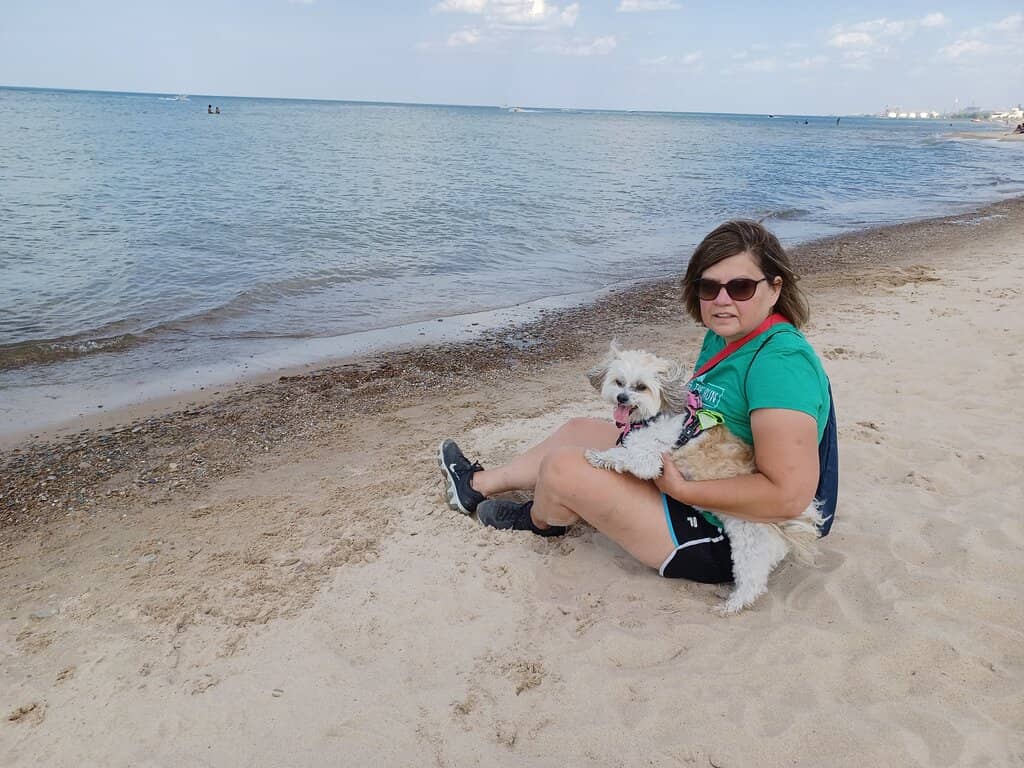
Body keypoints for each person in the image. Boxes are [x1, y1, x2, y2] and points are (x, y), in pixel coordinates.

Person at [439, 220, 834, 584]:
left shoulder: (781, 365)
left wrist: (684, 491)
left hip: (724, 534)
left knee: (563, 468)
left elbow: (788, 495)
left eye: (741, 287)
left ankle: (541, 520)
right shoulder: (727, 334)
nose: (722, 299)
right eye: (708, 287)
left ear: (776, 288)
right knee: (578, 430)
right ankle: (476, 485)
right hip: (695, 467)